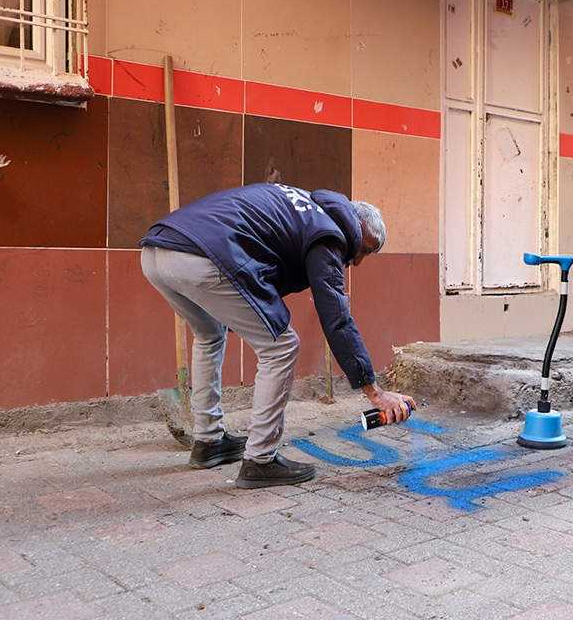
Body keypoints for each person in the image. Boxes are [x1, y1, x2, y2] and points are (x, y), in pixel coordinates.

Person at [139, 183, 416, 488]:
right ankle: (261, 460)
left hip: (156, 253)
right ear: (359, 225)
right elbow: (337, 318)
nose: (358, 261)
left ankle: (209, 442)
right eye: (365, 249)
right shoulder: (329, 233)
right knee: (281, 346)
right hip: (202, 255)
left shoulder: (307, 208)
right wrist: (375, 392)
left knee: (210, 334)